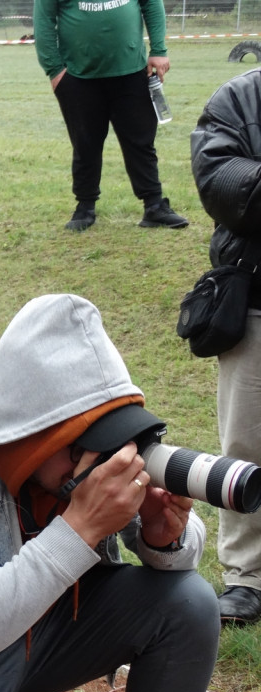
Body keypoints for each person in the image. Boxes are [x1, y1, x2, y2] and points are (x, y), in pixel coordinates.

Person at [0, 293, 220, 692]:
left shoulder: (75, 460)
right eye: (80, 445)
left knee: (188, 602)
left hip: (41, 634)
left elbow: (187, 554)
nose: (96, 461)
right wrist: (80, 529)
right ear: (29, 438)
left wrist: (165, 538)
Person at [190, 67, 261, 625]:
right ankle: (247, 575)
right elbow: (223, 186)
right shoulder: (239, 97)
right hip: (255, 298)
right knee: (246, 440)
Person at [33, 0, 189, 231]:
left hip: (132, 71)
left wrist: (158, 50)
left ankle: (154, 206)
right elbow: (43, 21)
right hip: (78, 76)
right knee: (85, 143)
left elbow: (152, 5)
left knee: (141, 141)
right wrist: (55, 70)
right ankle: (84, 208)